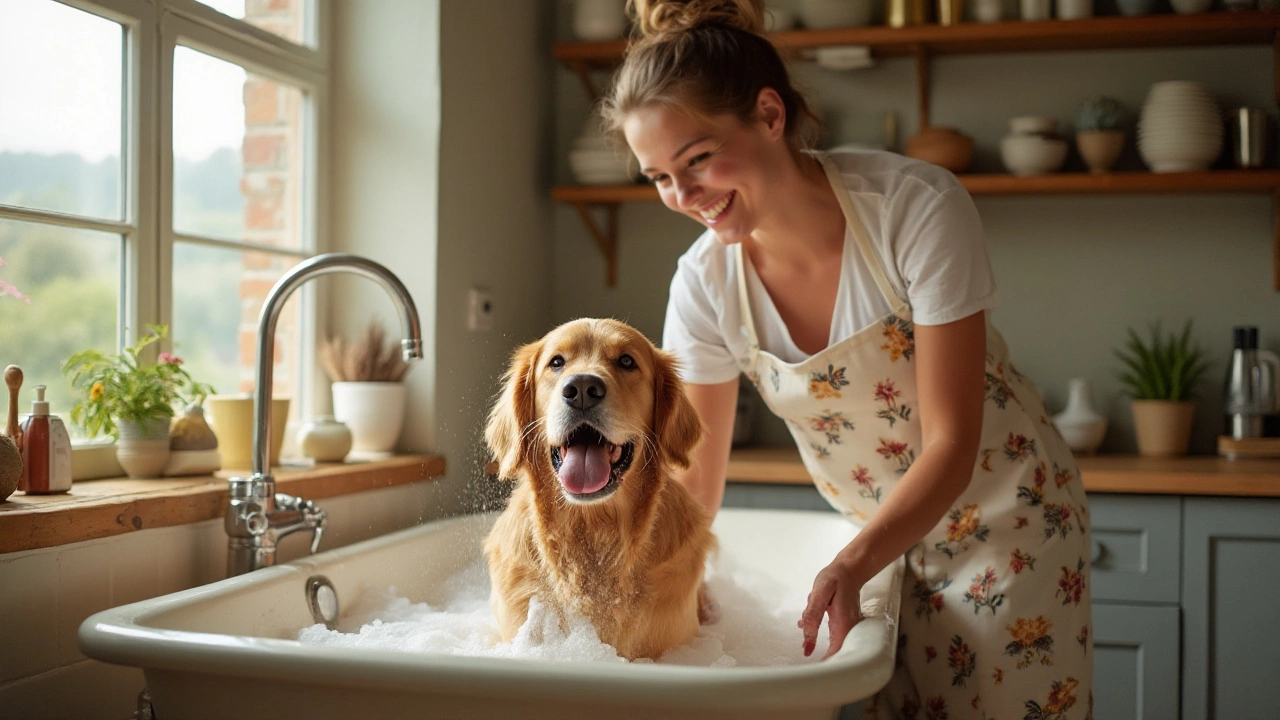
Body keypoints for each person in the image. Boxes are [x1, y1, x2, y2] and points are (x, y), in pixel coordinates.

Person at [600, 0, 1094, 717]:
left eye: (698, 160)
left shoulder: (912, 210)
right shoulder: (704, 283)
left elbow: (953, 445)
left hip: (1006, 528)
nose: (683, 197)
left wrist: (853, 562)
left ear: (770, 116)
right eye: (658, 178)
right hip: (872, 548)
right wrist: (668, 576)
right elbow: (691, 477)